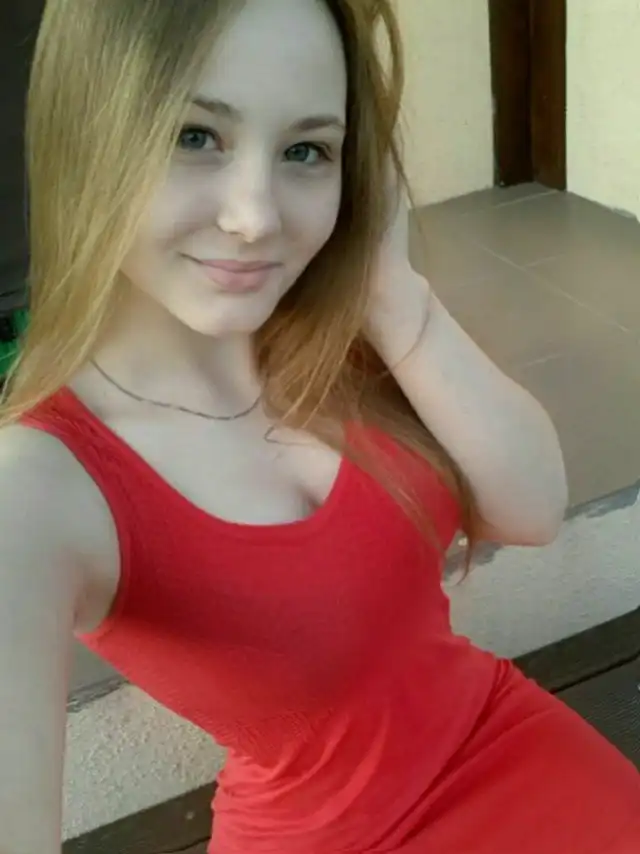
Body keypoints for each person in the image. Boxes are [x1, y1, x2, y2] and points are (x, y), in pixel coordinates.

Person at [0, 0, 638, 852]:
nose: (256, 218)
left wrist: (391, 291)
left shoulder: (333, 329)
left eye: (306, 150)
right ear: (84, 135)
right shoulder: (37, 486)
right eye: (195, 136)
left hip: (499, 735)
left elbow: (533, 508)